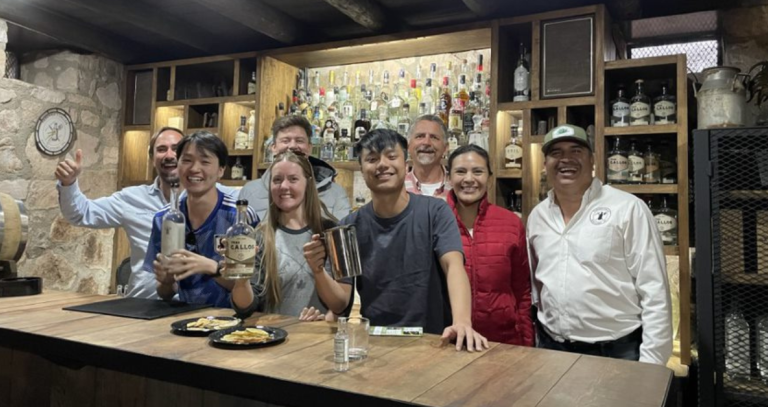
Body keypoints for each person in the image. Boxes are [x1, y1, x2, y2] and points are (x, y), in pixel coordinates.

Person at [304, 129, 489, 352]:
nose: (382, 164)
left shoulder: (435, 211)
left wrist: (462, 322)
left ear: (407, 165)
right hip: (374, 343)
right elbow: (340, 302)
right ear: (362, 169)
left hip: (433, 341)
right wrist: (318, 271)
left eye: (391, 156)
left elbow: (453, 266)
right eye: (372, 159)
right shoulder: (348, 226)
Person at [527, 124, 672, 365]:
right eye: (556, 153)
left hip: (616, 352)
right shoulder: (537, 216)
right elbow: (536, 286)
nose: (566, 159)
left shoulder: (627, 208)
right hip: (551, 349)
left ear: (592, 159)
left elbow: (655, 290)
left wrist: (652, 365)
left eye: (576, 151)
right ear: (545, 164)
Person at [230, 150, 350, 320]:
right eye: (277, 180)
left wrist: (318, 271)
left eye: (293, 179)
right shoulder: (259, 236)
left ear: (308, 184)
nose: (284, 186)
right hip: (271, 338)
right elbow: (245, 309)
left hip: (318, 340)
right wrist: (241, 279)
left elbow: (342, 304)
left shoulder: (335, 233)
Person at [146, 131, 258, 307]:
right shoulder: (165, 219)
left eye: (205, 161)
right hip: (184, 320)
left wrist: (213, 268)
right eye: (187, 160)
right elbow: (164, 293)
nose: (194, 168)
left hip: (233, 320)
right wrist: (166, 281)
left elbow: (253, 289)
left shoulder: (240, 218)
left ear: (221, 169)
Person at [445, 145, 533, 346]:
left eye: (478, 171)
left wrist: (527, 343)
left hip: (503, 342)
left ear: (489, 179)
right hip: (450, 340)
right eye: (460, 171)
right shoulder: (435, 220)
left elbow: (522, 291)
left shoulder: (510, 223)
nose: (469, 179)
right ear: (449, 178)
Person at [239, 115, 350, 220]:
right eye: (285, 141)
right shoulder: (250, 191)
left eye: (299, 140)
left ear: (310, 147)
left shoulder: (335, 193)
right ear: (273, 147)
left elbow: (339, 236)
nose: (292, 146)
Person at [404, 115, 452, 199]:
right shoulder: (397, 187)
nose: (426, 142)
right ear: (408, 145)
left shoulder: (457, 187)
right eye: (420, 136)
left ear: (445, 148)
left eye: (434, 137)